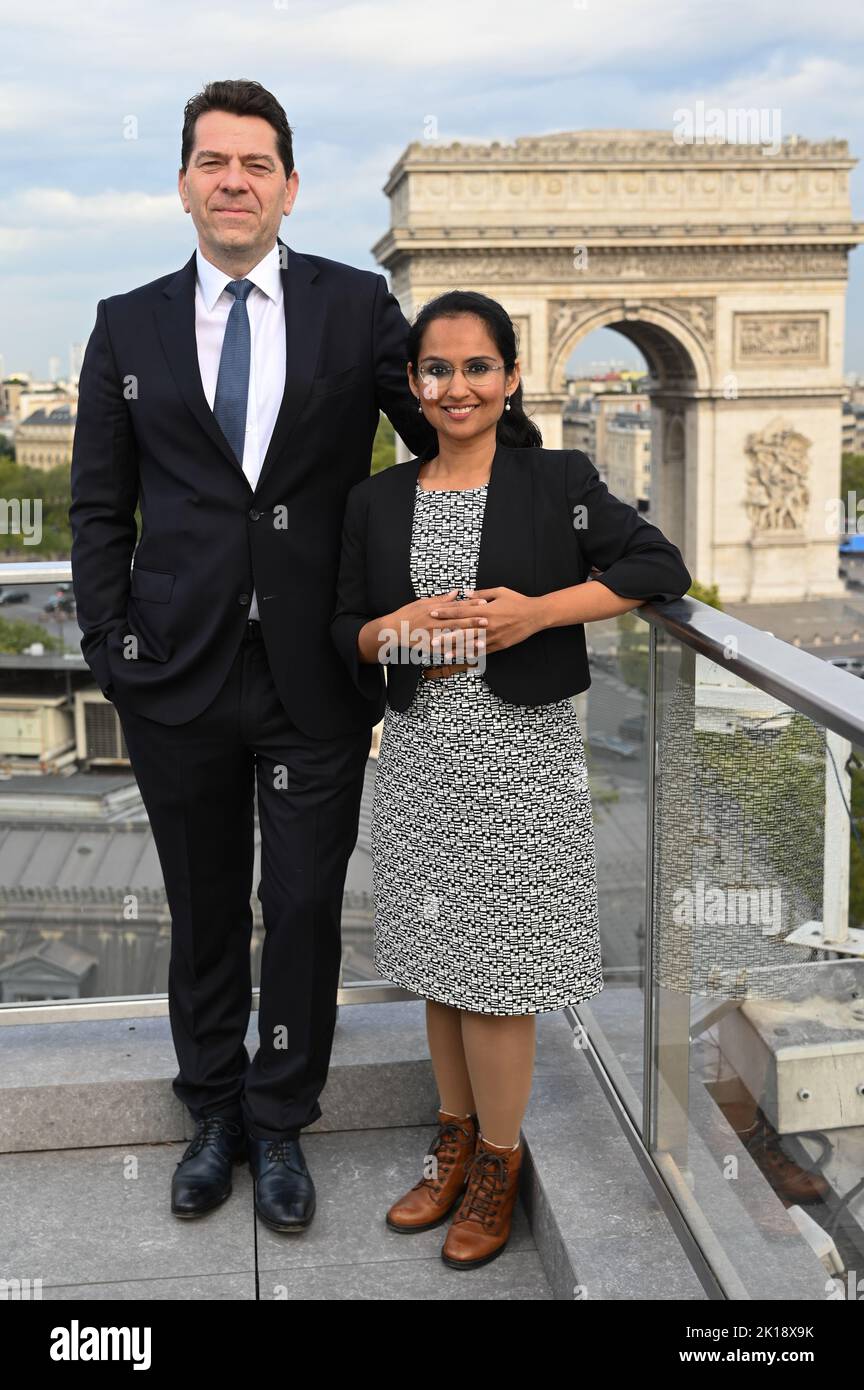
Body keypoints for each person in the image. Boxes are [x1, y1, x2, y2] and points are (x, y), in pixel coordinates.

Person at [69, 79, 434, 1234]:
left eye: (256, 162)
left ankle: (281, 1117)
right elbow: (96, 509)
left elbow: (449, 435)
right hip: (175, 671)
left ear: (288, 186)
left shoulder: (358, 307)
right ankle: (213, 1111)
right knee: (207, 906)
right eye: (214, 161)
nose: (235, 180)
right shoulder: (123, 323)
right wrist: (112, 648)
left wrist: (572, 516)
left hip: (314, 673)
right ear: (184, 181)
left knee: (310, 905)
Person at [330, 290, 692, 1269]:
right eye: (437, 369)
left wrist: (536, 615)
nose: (458, 386)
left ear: (512, 376)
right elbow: (348, 632)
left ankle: (498, 1160)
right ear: (413, 383)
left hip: (519, 763)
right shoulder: (377, 499)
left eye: (478, 367)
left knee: (498, 981)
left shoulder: (560, 479)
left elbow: (660, 566)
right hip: (418, 764)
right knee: (442, 968)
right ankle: (452, 1144)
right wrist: (406, 632)